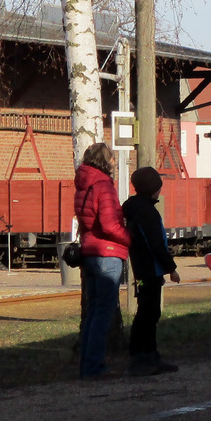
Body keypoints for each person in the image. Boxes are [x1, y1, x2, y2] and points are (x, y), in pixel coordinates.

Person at [74, 142, 131, 380]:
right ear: (104, 161)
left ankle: (87, 364)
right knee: (102, 313)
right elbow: (109, 225)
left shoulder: (83, 185)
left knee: (94, 311)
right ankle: (94, 366)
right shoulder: (104, 186)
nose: (114, 163)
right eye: (111, 159)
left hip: (89, 250)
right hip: (107, 253)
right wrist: (129, 238)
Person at [122, 167, 181, 376]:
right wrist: (171, 268)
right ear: (152, 189)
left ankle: (143, 356)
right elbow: (156, 244)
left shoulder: (133, 209)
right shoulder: (148, 212)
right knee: (149, 314)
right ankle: (146, 358)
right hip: (150, 270)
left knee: (145, 313)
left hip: (140, 269)